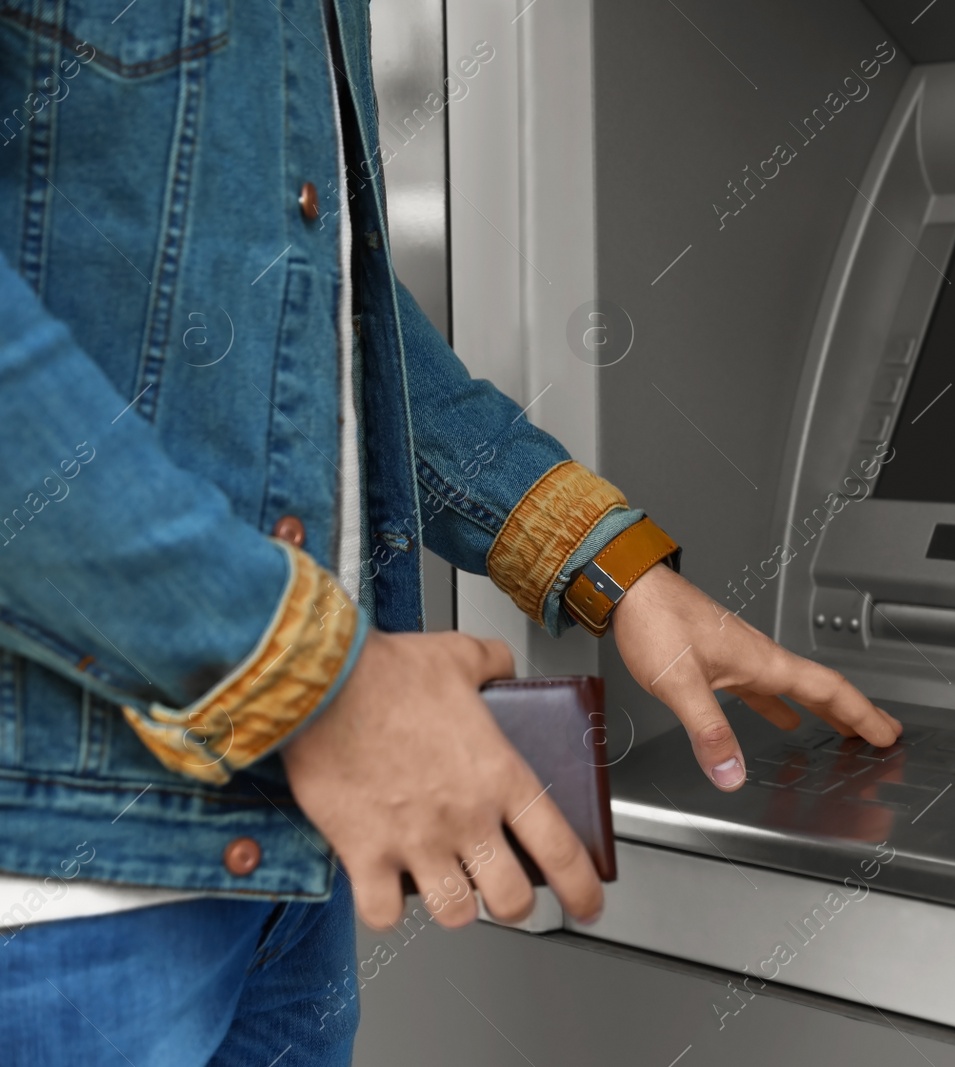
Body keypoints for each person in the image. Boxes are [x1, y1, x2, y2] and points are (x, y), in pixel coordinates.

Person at [0, 1, 900, 1063]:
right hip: (70, 875)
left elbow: (315, 317)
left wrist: (610, 565)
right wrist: (309, 678)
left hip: (287, 845)